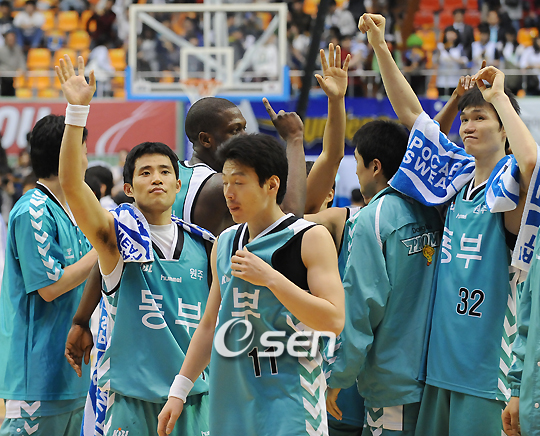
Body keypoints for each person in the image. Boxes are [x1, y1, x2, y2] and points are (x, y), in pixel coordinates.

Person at [358, 13, 539, 436]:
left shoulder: (510, 182)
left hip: (486, 371)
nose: (468, 126)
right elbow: (411, 113)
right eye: (466, 118)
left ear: (504, 129)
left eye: (481, 118)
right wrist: (381, 46)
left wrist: (500, 97)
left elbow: (531, 161)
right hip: (438, 364)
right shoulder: (456, 176)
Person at [56, 55, 214, 436]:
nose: (156, 178)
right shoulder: (116, 239)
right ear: (128, 188)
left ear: (178, 185)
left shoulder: (206, 246)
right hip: (130, 404)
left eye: (165, 171)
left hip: (193, 400)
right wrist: (77, 112)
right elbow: (73, 186)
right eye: (145, 172)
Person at [157, 133, 345, 436]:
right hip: (231, 405)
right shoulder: (224, 242)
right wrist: (178, 392)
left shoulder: (309, 237)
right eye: (225, 182)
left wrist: (271, 278)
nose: (229, 193)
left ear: (271, 184)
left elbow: (334, 320)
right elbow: (209, 325)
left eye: (239, 182)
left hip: (291, 405)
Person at [0, 114, 97, 436]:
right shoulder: (33, 210)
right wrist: (104, 248)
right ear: (67, 154)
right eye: (83, 150)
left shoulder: (73, 210)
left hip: (71, 374)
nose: (86, 159)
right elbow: (50, 287)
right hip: (37, 379)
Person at [0, 30, 25, 97]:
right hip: (3, 77)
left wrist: (21, 69)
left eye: (12, 39)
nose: (11, 40)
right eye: (9, 39)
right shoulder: (1, 50)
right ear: (6, 39)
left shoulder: (18, 49)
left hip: (15, 77)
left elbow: (22, 62)